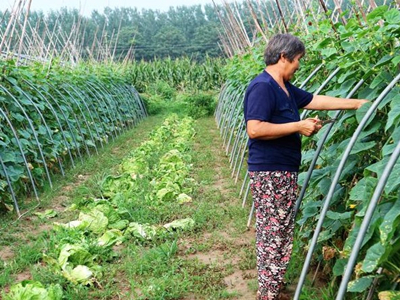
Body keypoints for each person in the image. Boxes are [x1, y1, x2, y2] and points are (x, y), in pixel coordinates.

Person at [243, 33, 368, 300]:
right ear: (283, 57)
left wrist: (358, 104)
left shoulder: (284, 87)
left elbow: (316, 100)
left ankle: (272, 287)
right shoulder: (262, 86)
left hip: (281, 171)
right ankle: (268, 294)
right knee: (273, 232)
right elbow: (255, 129)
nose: (299, 65)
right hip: (269, 172)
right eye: (298, 59)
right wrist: (299, 126)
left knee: (279, 230)